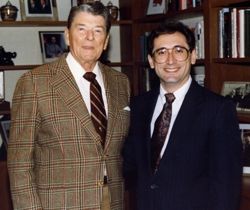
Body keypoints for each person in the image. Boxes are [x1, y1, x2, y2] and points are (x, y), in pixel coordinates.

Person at [8, 2, 130, 210]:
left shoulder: (121, 83)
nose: (89, 37)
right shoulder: (35, 83)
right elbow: (20, 164)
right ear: (67, 35)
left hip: (112, 200)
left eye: (97, 30)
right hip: (58, 203)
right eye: (81, 29)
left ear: (107, 40)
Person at [122, 21, 242, 210]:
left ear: (193, 56)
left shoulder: (218, 109)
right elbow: (129, 165)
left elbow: (227, 186)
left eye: (179, 50)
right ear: (151, 61)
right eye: (161, 52)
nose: (170, 60)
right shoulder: (139, 106)